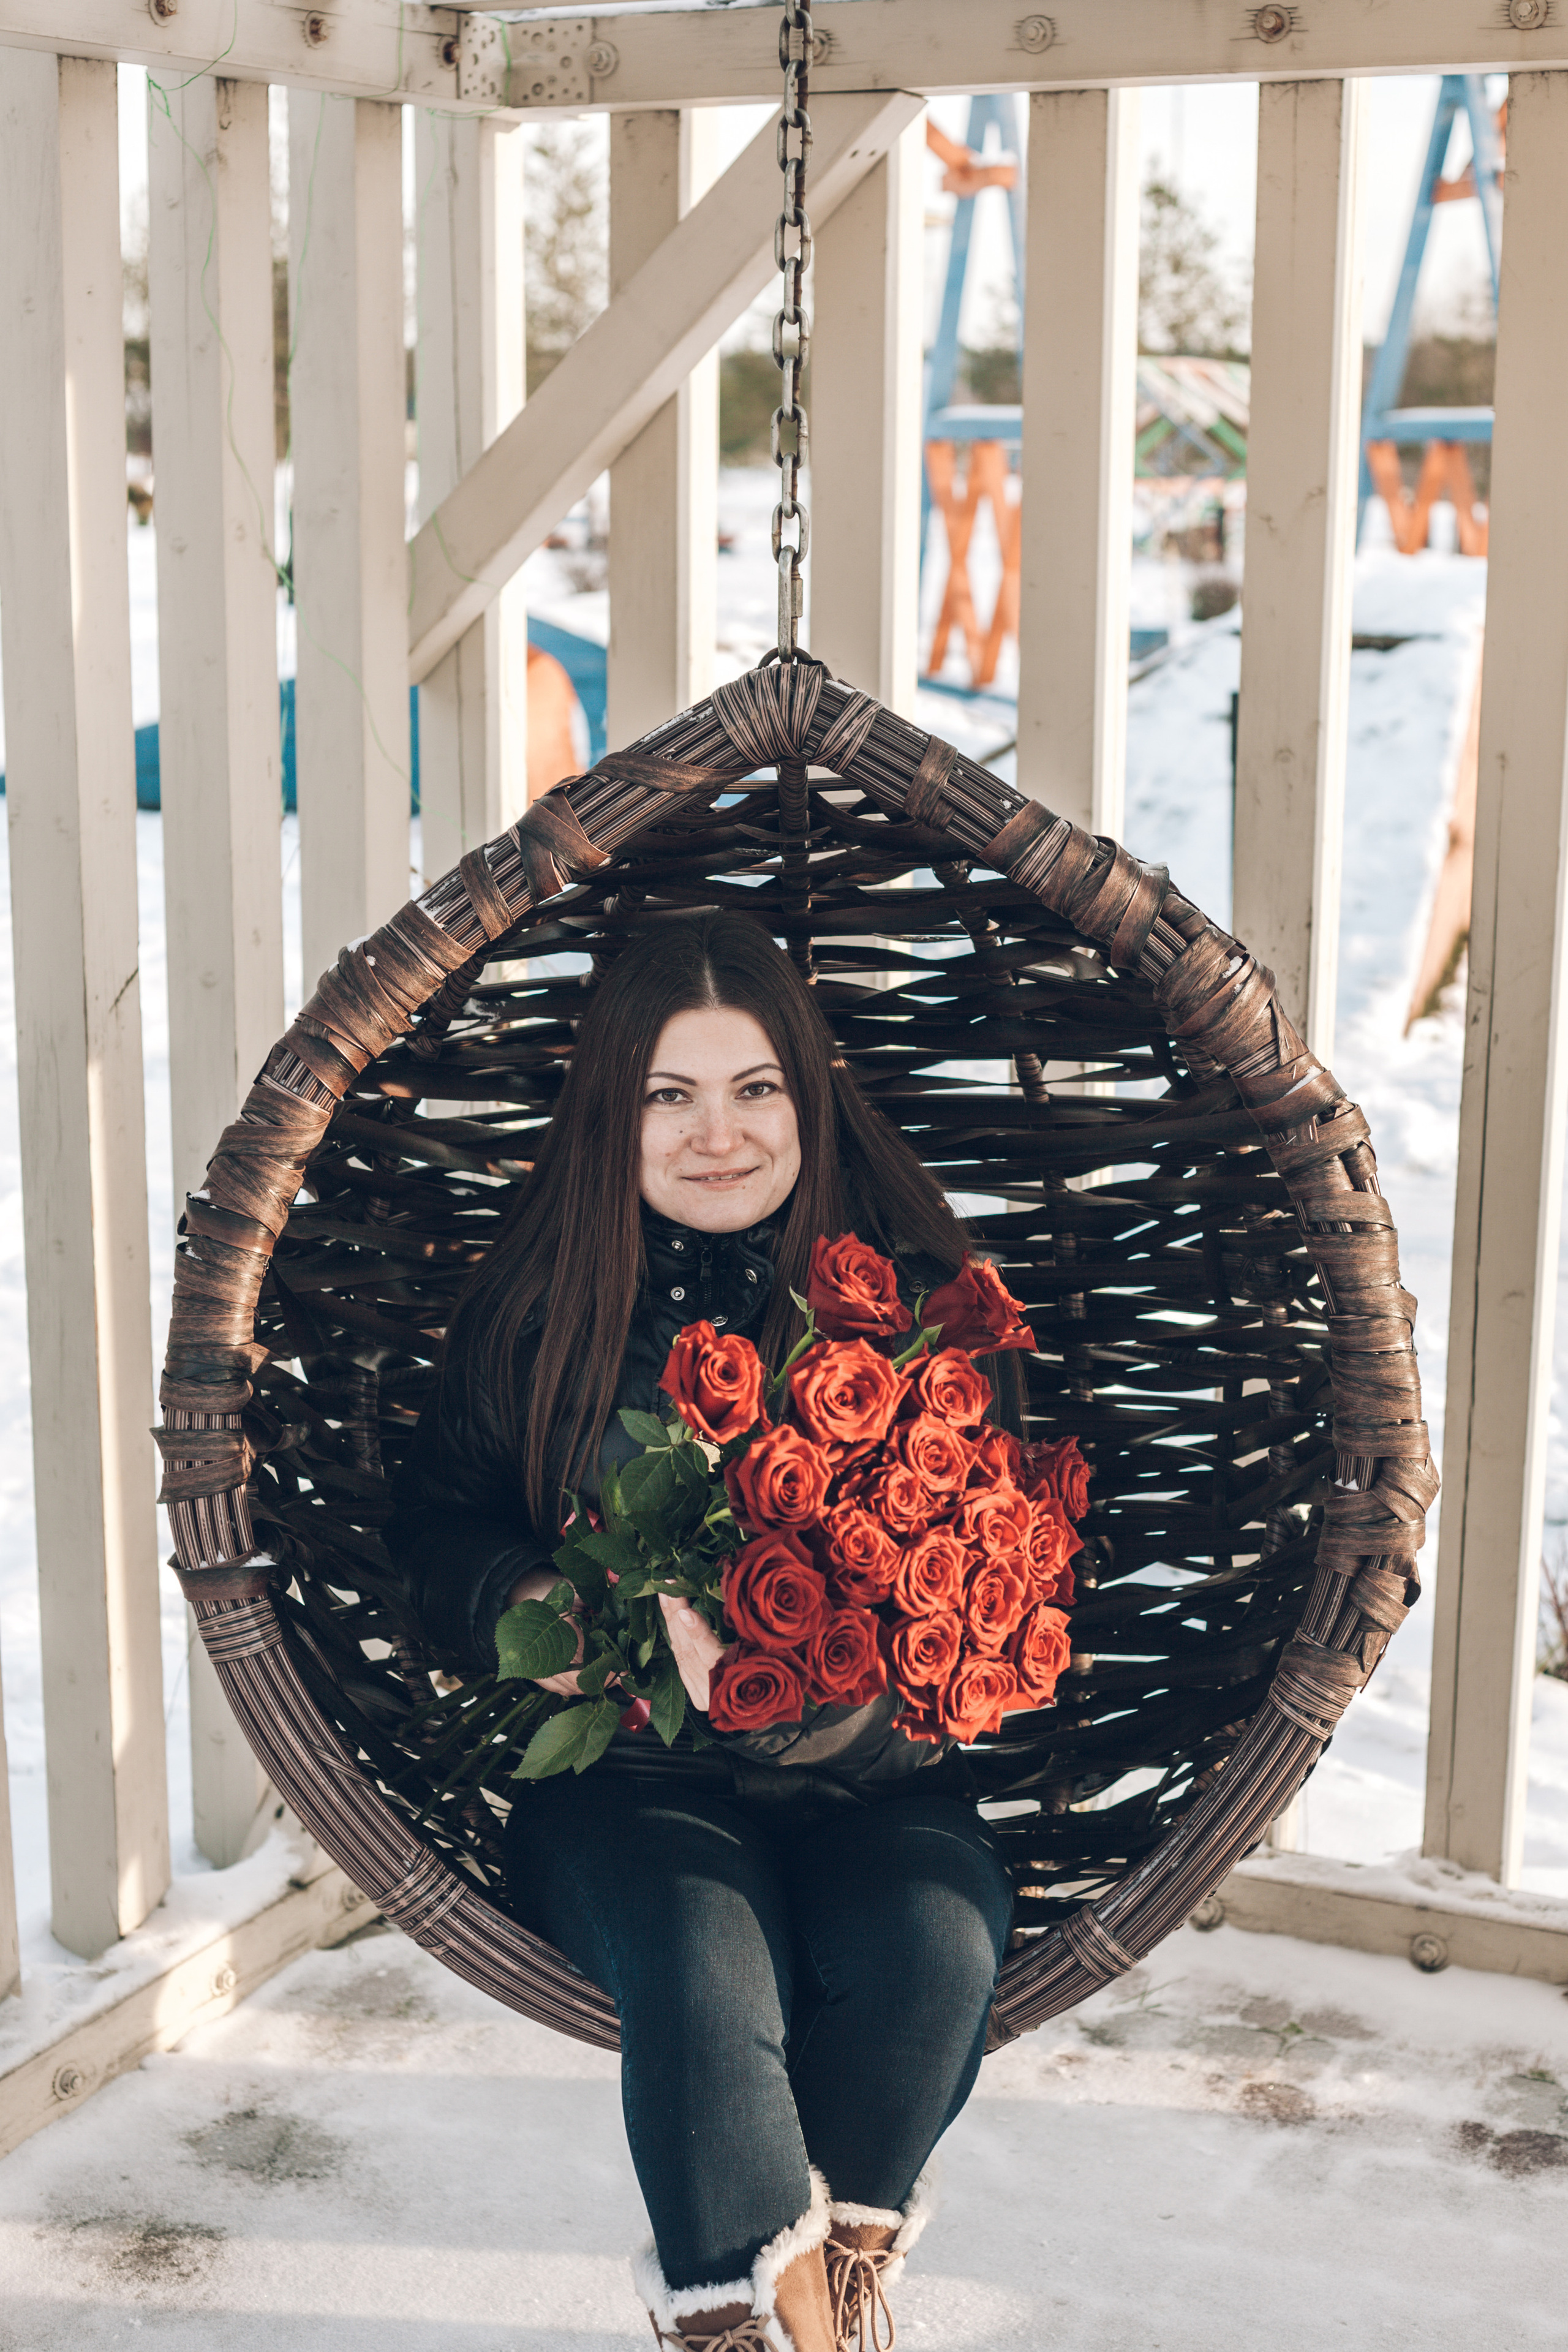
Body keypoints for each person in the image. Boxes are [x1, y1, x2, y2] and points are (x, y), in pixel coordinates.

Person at [391, 912, 1016, 2352]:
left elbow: (992, 1610)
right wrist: (525, 1608)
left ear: (809, 1096)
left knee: (935, 1948)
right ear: (613, 1113)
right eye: (668, 1095)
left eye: (754, 1091)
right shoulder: (540, 1310)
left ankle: (830, 2290)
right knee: (695, 1957)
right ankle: (766, 2330)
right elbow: (428, 1538)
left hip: (871, 1783)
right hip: (625, 1784)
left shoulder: (916, 1309)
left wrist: (798, 1691)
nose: (714, 1135)